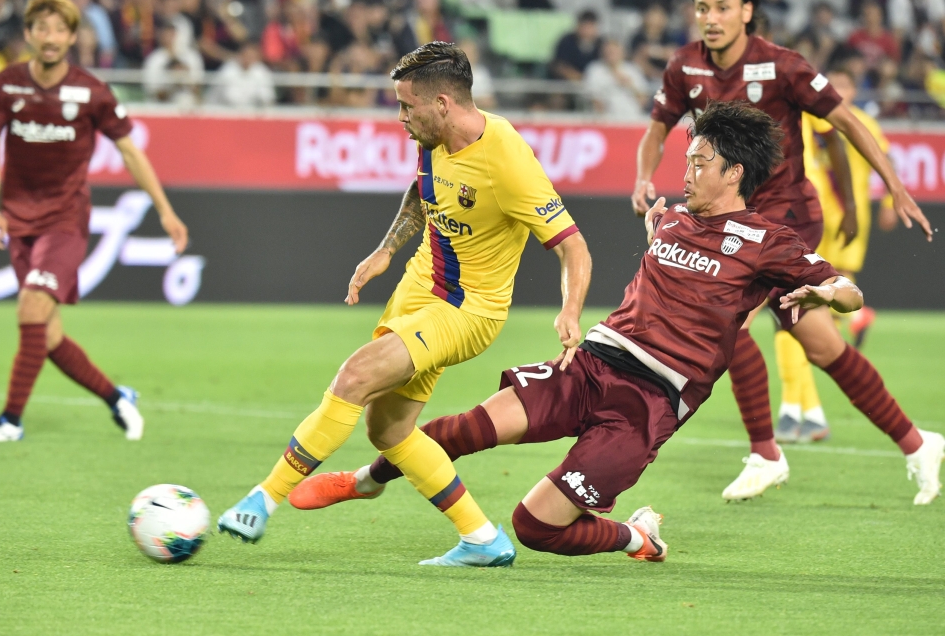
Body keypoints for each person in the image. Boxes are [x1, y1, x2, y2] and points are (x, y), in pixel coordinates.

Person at [292, 102, 943, 557]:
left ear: (733, 174)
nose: (686, 169)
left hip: (649, 402)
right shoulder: (677, 219)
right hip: (594, 362)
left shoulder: (769, 242)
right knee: (464, 430)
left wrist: (829, 290)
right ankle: (367, 481)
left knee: (533, 526)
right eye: (688, 158)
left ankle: (637, 537)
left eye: (700, 161)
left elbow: (848, 292)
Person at [216, 42, 591, 566]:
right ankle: (482, 538)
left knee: (354, 376)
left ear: (442, 102)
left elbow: (573, 245)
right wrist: (386, 250)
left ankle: (263, 498)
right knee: (387, 429)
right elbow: (422, 190)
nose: (400, 118)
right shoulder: (432, 136)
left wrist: (569, 310)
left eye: (406, 106)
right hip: (417, 289)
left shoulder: (507, 160)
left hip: (467, 310)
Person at [631, 0, 939, 504]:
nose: (711, 18)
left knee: (728, 321)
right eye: (703, 8)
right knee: (822, 347)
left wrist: (895, 186)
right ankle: (918, 444)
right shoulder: (685, 66)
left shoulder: (782, 65)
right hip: (731, 219)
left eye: (722, 7)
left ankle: (765, 453)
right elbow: (658, 127)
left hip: (787, 218)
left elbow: (845, 121)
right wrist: (642, 175)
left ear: (747, 11)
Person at [0, 0, 189, 443]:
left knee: (30, 307)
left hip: (65, 221)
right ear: (29, 34)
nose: (50, 39)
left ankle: (11, 421)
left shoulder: (92, 91)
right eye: (41, 29)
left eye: (59, 30)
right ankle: (116, 398)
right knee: (45, 335)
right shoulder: (5, 85)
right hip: (17, 222)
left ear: (72, 37)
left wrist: (166, 210)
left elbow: (130, 151)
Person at [774, 67, 896, 443]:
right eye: (834, 84)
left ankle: (798, 407)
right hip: (823, 214)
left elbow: (880, 158)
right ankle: (798, 407)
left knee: (793, 308)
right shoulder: (810, 116)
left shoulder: (857, 122)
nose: (837, 90)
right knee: (805, 305)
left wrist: (887, 200)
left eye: (844, 84)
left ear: (854, 87)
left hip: (825, 218)